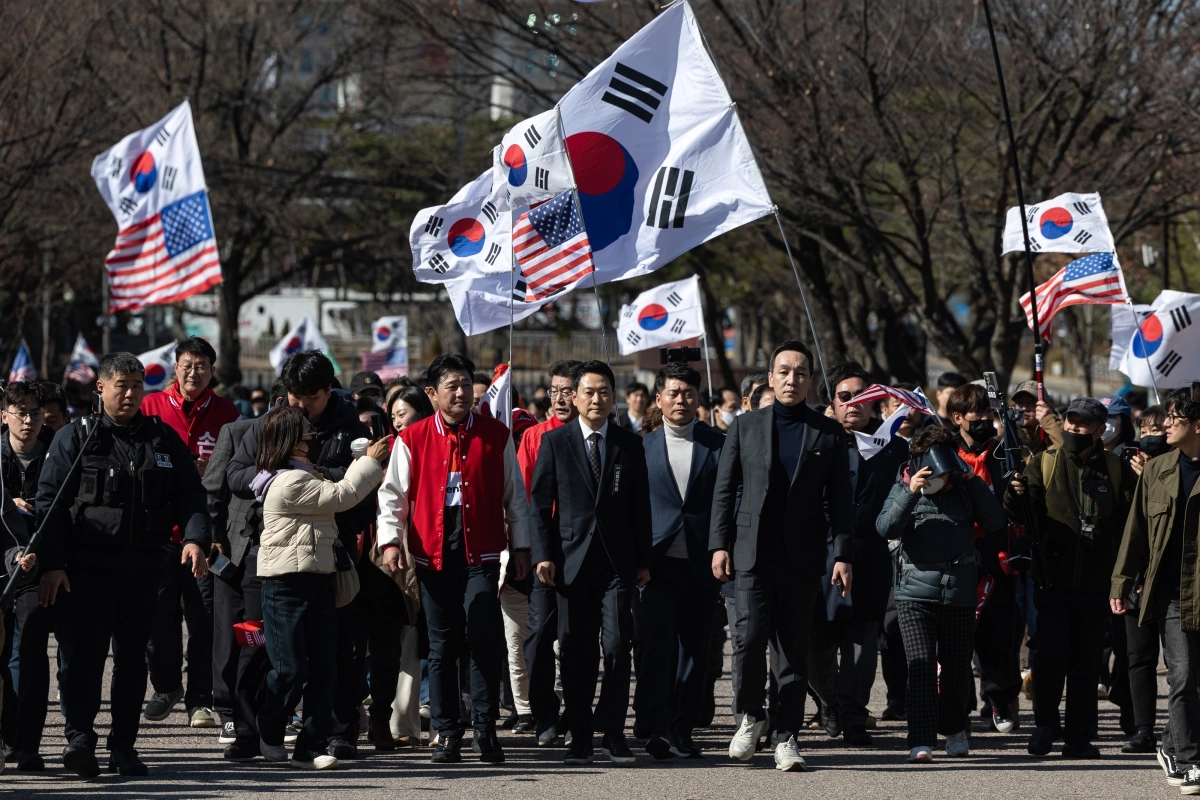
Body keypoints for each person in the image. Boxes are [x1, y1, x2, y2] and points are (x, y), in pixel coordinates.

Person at [36, 352, 211, 778]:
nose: (131, 394)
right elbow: (50, 505)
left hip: (144, 571)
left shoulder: (161, 439)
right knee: (85, 658)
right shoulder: (77, 438)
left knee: (133, 662)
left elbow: (190, 495)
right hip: (86, 571)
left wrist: (194, 539)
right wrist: (53, 564)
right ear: (101, 388)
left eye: (137, 386)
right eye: (122, 386)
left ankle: (124, 747)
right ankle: (80, 739)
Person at [376, 353, 531, 765]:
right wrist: (390, 542)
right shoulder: (413, 438)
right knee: (442, 647)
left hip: (482, 553)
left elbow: (515, 496)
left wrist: (521, 548)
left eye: (465, 384)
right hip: (433, 556)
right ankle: (447, 733)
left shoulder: (496, 435)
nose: (461, 393)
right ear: (432, 393)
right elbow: (392, 496)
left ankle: (485, 730)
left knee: (483, 637)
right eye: (452, 386)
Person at [709, 340, 854, 772]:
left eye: (800, 372)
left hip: (802, 557)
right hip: (751, 553)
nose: (792, 379)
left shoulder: (828, 432)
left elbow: (840, 501)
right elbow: (724, 489)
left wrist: (842, 554)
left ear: (810, 381)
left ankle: (786, 735)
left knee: (793, 650)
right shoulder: (745, 426)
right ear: (770, 378)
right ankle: (752, 715)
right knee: (749, 640)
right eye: (784, 372)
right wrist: (719, 544)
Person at [226, 351, 375, 760]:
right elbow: (236, 474)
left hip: (328, 560)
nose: (301, 407)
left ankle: (315, 742)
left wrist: (311, 478)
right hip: (279, 567)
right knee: (280, 662)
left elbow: (355, 501)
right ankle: (255, 730)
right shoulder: (276, 426)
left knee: (329, 661)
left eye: (311, 397)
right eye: (295, 396)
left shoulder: (349, 426)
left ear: (329, 390)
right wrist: (283, 476)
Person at [251, 406, 388, 770]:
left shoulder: (304, 474)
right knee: (290, 669)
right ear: (292, 441)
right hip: (286, 583)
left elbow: (335, 493)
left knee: (325, 668)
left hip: (320, 578)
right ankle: (269, 728)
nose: (314, 440)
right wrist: (369, 461)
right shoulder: (290, 481)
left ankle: (309, 747)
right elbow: (342, 495)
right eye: (308, 435)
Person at [529, 360, 652, 766]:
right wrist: (543, 555)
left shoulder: (629, 444)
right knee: (576, 651)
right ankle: (580, 735)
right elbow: (539, 504)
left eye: (604, 392)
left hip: (617, 564)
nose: (596, 399)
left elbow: (640, 507)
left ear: (614, 397)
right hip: (571, 564)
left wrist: (643, 560)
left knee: (617, 645)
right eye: (589, 392)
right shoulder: (555, 442)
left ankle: (613, 732)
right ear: (574, 397)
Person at [1006, 397, 1135, 759]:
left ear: (1100, 430)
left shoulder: (1115, 468)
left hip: (1096, 587)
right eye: (1070, 421)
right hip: (1052, 583)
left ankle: (1078, 737)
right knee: (1049, 660)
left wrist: (1124, 576)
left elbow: (1129, 523)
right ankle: (1045, 727)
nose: (1074, 428)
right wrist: (1014, 492)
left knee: (1086, 664)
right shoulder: (1045, 462)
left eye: (1083, 423)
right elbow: (1021, 513)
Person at [876, 424, 1007, 762]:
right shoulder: (904, 482)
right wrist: (911, 492)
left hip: (958, 591)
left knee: (956, 669)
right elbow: (885, 527)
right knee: (921, 667)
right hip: (914, 593)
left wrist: (972, 481)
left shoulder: (964, 488)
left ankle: (954, 727)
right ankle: (920, 739)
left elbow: (995, 521)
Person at [140, 336, 240, 729]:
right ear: (175, 367)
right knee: (156, 619)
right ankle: (166, 687)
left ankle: (200, 699)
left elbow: (238, 471)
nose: (193, 372)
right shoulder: (150, 407)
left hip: (207, 534)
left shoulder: (228, 412)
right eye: (187, 364)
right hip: (159, 534)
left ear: (212, 371)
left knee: (203, 621)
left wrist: (211, 470)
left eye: (201, 366)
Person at [809, 363, 907, 748]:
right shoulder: (816, 440)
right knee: (814, 643)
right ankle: (831, 703)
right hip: (819, 555)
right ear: (832, 403)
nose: (854, 404)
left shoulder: (894, 446)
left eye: (862, 397)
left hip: (870, 557)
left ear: (876, 401)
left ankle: (853, 716)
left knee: (861, 645)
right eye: (844, 397)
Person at [632, 362, 724, 760]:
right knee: (656, 649)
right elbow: (633, 508)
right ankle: (655, 726)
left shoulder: (719, 444)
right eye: (673, 393)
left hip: (702, 564)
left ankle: (682, 729)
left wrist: (723, 548)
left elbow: (728, 500)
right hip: (656, 565)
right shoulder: (641, 446)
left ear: (698, 398)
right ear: (659, 399)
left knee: (694, 652)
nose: (681, 400)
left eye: (688, 393)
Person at [1112, 387, 1200, 789]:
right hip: (1172, 594)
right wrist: (1121, 582)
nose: (1165, 424)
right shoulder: (1157, 470)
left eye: (1174, 418)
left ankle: (1170, 743)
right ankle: (1190, 759)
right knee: (1183, 675)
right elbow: (1136, 532)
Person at [205, 382, 284, 760]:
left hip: (281, 554)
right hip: (235, 551)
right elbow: (213, 487)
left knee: (265, 640)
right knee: (232, 636)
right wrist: (213, 537)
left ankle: (262, 717)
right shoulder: (237, 432)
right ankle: (229, 713)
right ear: (280, 401)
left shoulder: (307, 439)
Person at [946, 383, 1024, 734]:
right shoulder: (945, 452)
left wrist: (1019, 490)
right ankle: (957, 705)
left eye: (988, 414)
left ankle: (1000, 699)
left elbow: (1019, 508)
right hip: (956, 553)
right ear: (957, 418)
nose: (983, 421)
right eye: (975, 415)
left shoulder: (1004, 452)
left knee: (999, 631)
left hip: (997, 554)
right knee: (956, 634)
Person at [517, 359, 580, 746]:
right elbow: (523, 498)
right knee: (539, 634)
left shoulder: (594, 435)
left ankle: (576, 712)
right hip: (544, 548)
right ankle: (544, 714)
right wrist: (528, 549)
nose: (559, 398)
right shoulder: (534, 437)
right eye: (554, 390)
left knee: (577, 637)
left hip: (583, 548)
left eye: (567, 391)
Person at [2, 381, 52, 769]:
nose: (29, 421)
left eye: (35, 413)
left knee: (30, 652)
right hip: (2, 565)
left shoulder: (56, 453)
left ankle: (27, 744)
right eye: (21, 413)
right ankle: (6, 737)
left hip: (38, 567)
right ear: (4, 417)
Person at [380, 386, 431, 748]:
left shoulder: (431, 442)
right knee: (407, 635)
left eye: (403, 413)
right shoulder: (389, 448)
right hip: (401, 551)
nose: (397, 421)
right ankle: (404, 724)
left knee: (438, 638)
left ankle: (442, 724)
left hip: (435, 549)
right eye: (393, 415)